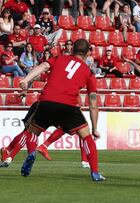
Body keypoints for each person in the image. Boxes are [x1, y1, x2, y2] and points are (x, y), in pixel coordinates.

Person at [17, 39, 105, 181]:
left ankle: (32, 152)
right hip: (68, 106)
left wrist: (26, 79)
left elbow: (44, 66)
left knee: (32, 132)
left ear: (71, 50)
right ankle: (95, 173)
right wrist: (95, 128)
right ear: (88, 53)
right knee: (86, 136)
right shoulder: (89, 73)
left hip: (46, 102)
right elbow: (93, 103)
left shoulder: (59, 58)